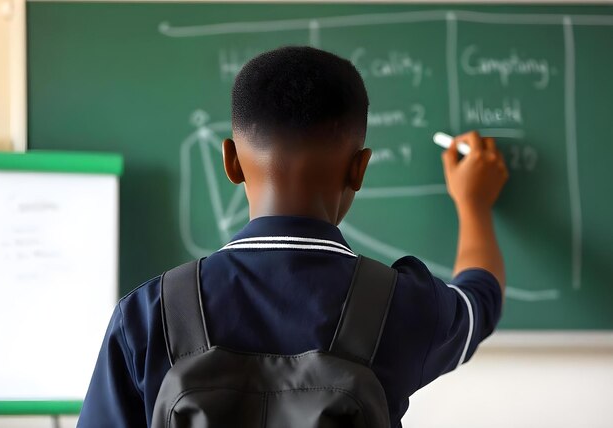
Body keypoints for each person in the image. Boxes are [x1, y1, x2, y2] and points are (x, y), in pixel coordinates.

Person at [78, 46, 508, 427]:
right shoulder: (399, 305)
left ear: (230, 162)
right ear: (359, 168)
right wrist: (474, 205)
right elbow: (480, 300)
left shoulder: (149, 315)